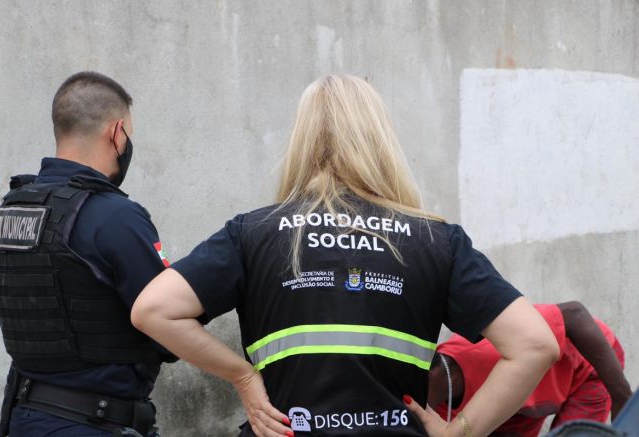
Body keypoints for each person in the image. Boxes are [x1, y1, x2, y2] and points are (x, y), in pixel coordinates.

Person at [130, 74, 559, 437]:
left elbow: (153, 309)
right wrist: (460, 431)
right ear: (381, 140)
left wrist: (242, 377)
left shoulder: (254, 232)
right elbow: (535, 344)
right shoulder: (436, 239)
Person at [0, 71, 175, 437]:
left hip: (24, 418)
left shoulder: (11, 209)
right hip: (94, 422)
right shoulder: (114, 216)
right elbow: (168, 328)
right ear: (117, 133)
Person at [428, 302, 632, 436]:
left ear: (433, 375)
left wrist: (621, 394)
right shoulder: (435, 407)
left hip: (585, 370)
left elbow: (575, 314)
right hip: (525, 402)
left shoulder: (487, 349)